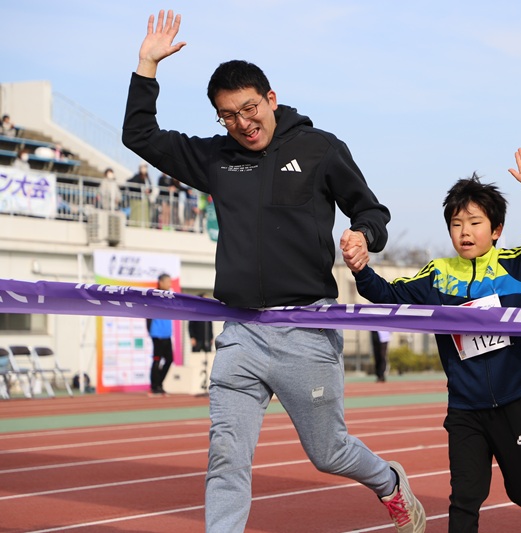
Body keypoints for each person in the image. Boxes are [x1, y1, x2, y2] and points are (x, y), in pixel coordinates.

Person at [122, 10, 424, 533]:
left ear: (271, 100)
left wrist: (362, 237)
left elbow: (371, 211)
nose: (242, 123)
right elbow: (140, 135)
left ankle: (388, 483)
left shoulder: (319, 148)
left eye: (249, 108)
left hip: (306, 329)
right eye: (228, 115)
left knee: (328, 453)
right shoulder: (216, 157)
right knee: (226, 459)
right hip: (240, 331)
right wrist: (147, 64)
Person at [348, 149, 521, 532]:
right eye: (457, 224)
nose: (465, 231)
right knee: (464, 500)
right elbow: (388, 293)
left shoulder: (512, 264)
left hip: (513, 401)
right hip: (464, 407)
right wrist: (361, 269)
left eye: (475, 222)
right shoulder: (438, 275)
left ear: (495, 230)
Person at [147, 273, 174, 396]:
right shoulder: (154, 296)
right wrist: (150, 330)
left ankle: (159, 383)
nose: (170, 284)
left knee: (169, 360)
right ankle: (154, 387)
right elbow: (148, 314)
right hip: (157, 333)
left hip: (167, 334)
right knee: (157, 360)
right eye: (168, 281)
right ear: (161, 282)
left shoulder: (170, 296)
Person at [126, 162, 154, 227]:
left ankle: (145, 226)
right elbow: (129, 183)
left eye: (146, 167)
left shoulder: (147, 178)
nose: (145, 169)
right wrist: (140, 189)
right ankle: (135, 225)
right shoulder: (137, 176)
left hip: (145, 200)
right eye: (143, 167)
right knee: (136, 213)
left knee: (145, 213)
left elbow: (150, 188)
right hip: (137, 199)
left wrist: (148, 191)